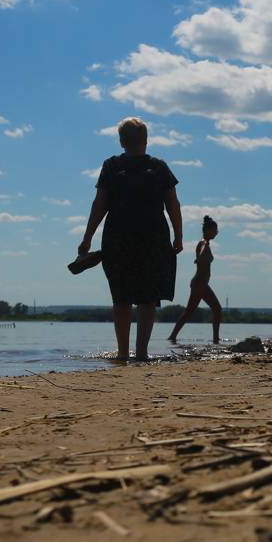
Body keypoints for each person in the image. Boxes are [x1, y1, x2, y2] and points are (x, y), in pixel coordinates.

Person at [78, 117, 183, 361]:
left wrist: (87, 237)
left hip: (118, 237)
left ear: (121, 141)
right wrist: (178, 236)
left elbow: (100, 204)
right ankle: (142, 353)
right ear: (146, 141)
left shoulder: (111, 166)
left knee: (122, 296)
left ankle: (123, 353)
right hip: (153, 237)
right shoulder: (158, 166)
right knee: (147, 297)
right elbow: (173, 205)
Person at [168, 215, 222, 343]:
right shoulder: (203, 243)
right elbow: (202, 250)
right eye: (214, 231)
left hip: (203, 283)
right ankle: (172, 337)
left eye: (217, 231)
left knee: (217, 309)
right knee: (189, 312)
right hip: (199, 282)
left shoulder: (206, 243)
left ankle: (215, 339)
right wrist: (201, 256)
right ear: (207, 230)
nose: (216, 234)